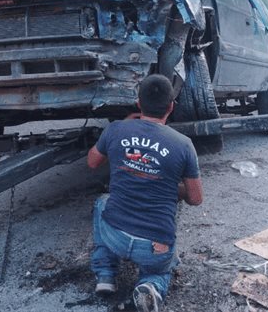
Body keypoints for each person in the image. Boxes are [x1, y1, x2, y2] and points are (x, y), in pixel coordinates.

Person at [87, 74, 203, 312]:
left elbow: (92, 162)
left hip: (115, 236)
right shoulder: (183, 144)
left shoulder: (116, 129)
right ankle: (150, 286)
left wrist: (123, 129)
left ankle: (106, 274)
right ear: (171, 107)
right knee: (161, 271)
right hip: (154, 248)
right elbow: (195, 198)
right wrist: (168, 185)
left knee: (102, 203)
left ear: (139, 103)